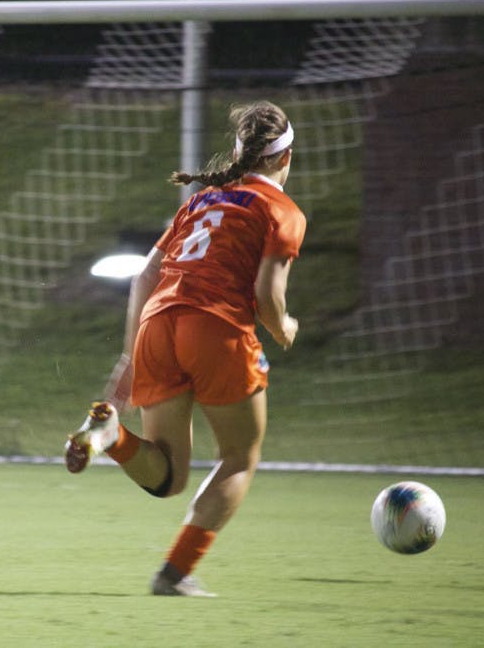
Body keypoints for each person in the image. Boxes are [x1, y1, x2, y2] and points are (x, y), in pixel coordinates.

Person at [65, 100, 306, 597]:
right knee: (239, 457)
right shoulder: (283, 211)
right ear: (285, 159)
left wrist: (131, 358)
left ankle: (113, 437)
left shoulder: (201, 201)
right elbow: (266, 297)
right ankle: (173, 575)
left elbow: (145, 276)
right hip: (214, 328)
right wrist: (284, 328)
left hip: (158, 322)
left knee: (167, 476)